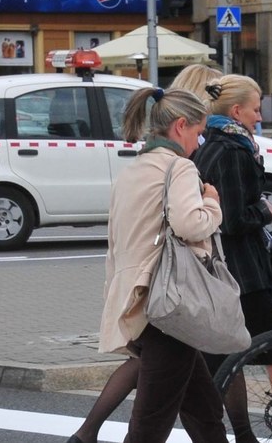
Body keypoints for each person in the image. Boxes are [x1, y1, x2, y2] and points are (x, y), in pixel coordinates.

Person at [68, 65, 227, 443]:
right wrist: (212, 204)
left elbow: (119, 238)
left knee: (204, 412)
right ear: (181, 126)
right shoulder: (179, 167)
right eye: (198, 133)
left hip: (137, 299)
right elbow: (191, 226)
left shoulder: (133, 169)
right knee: (150, 424)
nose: (199, 143)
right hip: (170, 305)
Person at [193, 74, 272, 443]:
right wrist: (265, 212)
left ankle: (246, 434)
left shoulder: (217, 144)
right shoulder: (232, 151)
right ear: (236, 110)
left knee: (225, 361)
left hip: (229, 271)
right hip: (244, 274)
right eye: (256, 107)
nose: (259, 115)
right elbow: (232, 219)